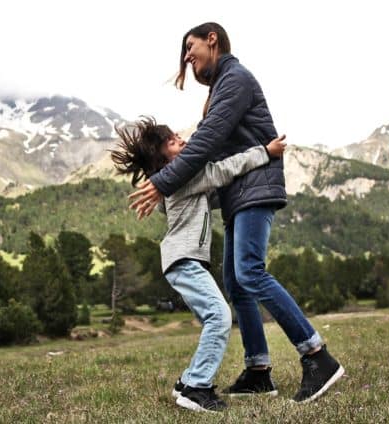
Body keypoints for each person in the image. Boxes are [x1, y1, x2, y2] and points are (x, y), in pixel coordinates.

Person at [129, 22, 344, 403]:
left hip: (255, 183)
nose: (187, 58)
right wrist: (167, 181)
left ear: (212, 39)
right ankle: (259, 369)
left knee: (249, 271)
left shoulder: (235, 79)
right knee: (235, 280)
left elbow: (207, 146)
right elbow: (206, 157)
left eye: (190, 47)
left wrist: (163, 182)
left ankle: (316, 355)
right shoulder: (218, 89)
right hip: (238, 192)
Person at [111, 116, 287, 412]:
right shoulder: (184, 178)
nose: (180, 139)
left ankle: (188, 382)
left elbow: (214, 191)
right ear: (162, 158)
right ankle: (196, 387)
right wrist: (265, 153)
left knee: (215, 316)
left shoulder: (181, 182)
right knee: (219, 316)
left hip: (182, 262)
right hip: (184, 260)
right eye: (171, 141)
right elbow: (222, 171)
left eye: (176, 135)